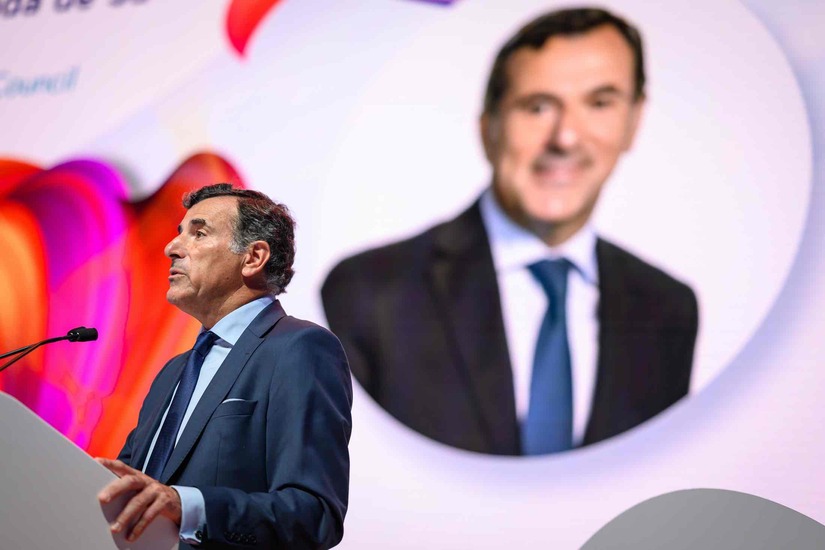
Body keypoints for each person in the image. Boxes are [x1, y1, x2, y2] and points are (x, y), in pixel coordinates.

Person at [321, 7, 697, 456]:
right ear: (489, 129)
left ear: (634, 121)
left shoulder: (669, 310)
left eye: (600, 103)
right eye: (537, 107)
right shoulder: (368, 294)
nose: (566, 138)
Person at [97, 184, 352, 548]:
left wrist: (189, 507)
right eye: (179, 233)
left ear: (253, 257)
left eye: (199, 233)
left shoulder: (300, 348)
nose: (172, 248)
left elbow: (314, 515)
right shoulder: (172, 373)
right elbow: (129, 485)